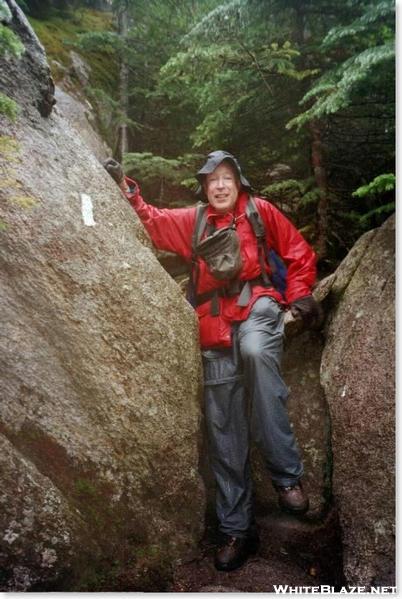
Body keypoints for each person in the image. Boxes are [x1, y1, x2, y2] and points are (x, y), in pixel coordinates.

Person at [103, 150, 320, 572]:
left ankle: (286, 476)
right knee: (223, 428)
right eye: (212, 180)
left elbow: (297, 252)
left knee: (257, 354)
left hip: (257, 306)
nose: (220, 185)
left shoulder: (261, 212)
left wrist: (300, 294)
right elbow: (152, 220)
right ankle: (237, 529)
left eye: (227, 178)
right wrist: (124, 188)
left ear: (238, 183)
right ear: (205, 187)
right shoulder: (195, 220)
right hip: (213, 324)